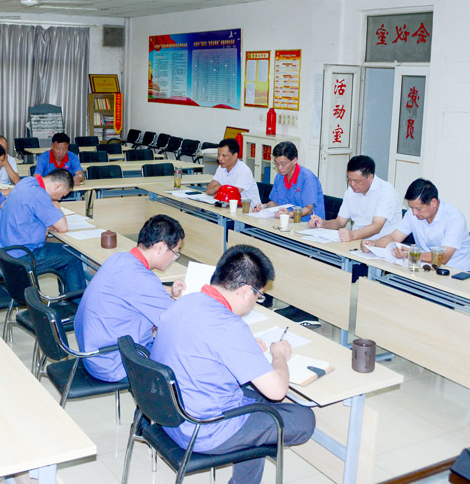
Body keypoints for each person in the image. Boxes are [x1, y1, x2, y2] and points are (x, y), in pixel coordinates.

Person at [151, 245, 315, 484]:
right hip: (203, 429)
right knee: (304, 419)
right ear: (246, 290)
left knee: (257, 402)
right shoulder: (229, 326)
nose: (256, 302)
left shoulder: (187, 301)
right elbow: (278, 391)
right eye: (259, 296)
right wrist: (279, 355)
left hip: (168, 414)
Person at [74, 215, 186, 382]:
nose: (173, 258)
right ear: (160, 247)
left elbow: (133, 289)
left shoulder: (119, 258)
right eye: (175, 253)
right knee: (186, 357)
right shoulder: (143, 281)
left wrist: (169, 290)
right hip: (115, 363)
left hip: (92, 353)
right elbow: (177, 323)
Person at [0, 168, 86, 292]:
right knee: (72, 255)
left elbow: (28, 214)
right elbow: (63, 227)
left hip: (4, 252)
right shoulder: (39, 194)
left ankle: (66, 297)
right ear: (58, 186)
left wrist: (43, 226)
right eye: (62, 195)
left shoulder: (26, 182)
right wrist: (55, 201)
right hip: (21, 256)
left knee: (61, 252)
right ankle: (75, 301)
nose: (61, 198)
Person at [362, 178, 470, 271]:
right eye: (411, 208)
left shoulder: (454, 218)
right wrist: (373, 244)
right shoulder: (413, 213)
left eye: (418, 209)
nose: (414, 213)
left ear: (433, 203)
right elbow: (393, 237)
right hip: (425, 268)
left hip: (454, 273)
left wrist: (409, 255)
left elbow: (443, 257)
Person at [308, 155, 401, 241]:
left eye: (356, 181)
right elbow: (339, 222)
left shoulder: (386, 191)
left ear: (370, 178)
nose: (352, 184)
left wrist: (352, 235)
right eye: (349, 179)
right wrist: (323, 224)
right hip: (356, 242)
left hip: (381, 245)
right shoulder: (351, 191)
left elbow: (377, 226)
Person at [253, 141, 324, 222]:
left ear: (294, 160)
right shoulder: (280, 176)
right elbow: (275, 202)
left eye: (283, 164)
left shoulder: (307, 178)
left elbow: (309, 209)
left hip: (308, 224)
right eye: (276, 164)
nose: (279, 168)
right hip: (286, 221)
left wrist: (290, 214)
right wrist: (264, 206)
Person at [205, 138, 261, 208]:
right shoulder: (221, 167)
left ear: (235, 156)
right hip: (231, 207)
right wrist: (221, 187)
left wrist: (219, 188)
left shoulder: (244, 171)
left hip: (250, 210)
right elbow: (209, 190)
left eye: (224, 155)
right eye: (219, 155)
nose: (220, 159)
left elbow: (232, 196)